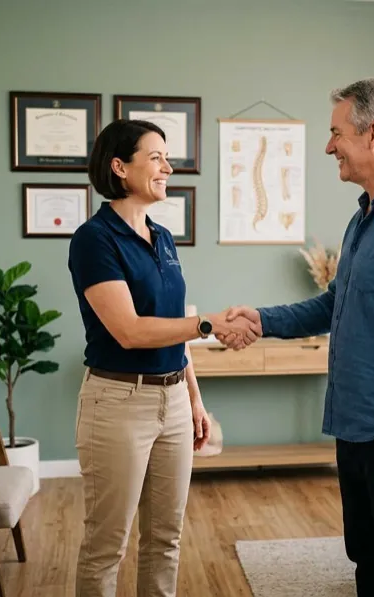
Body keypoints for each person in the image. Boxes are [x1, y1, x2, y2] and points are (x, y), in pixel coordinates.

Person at [222, 77, 374, 597]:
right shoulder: (366, 216)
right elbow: (335, 305)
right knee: (368, 562)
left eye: (337, 133)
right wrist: (262, 319)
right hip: (357, 427)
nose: (329, 145)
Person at [67, 118, 259, 597]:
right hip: (117, 404)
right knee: (106, 545)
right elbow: (130, 331)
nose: (168, 167)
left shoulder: (164, 237)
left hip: (173, 401)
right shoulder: (95, 239)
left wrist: (193, 399)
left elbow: (171, 329)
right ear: (120, 167)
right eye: (156, 157)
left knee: (165, 539)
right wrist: (207, 323)